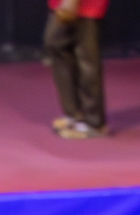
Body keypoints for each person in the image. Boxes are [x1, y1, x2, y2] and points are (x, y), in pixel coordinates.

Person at [45, 0, 107, 139]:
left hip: (84, 5)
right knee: (57, 44)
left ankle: (93, 123)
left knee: (86, 58)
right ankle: (75, 113)